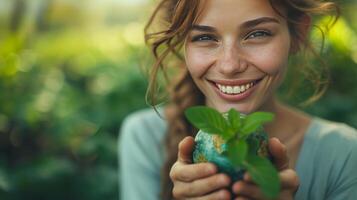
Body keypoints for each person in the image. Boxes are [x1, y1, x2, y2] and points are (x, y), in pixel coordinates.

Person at [119, 0, 357, 199]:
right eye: (204, 37)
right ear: (183, 42)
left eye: (258, 34)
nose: (230, 65)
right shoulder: (146, 137)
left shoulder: (343, 155)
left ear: (298, 35)